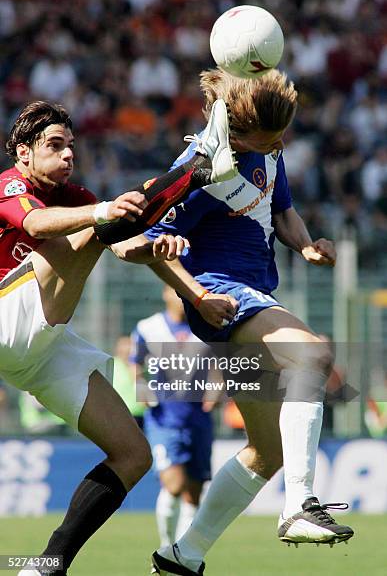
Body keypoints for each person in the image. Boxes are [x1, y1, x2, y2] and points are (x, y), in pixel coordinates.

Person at [0, 99, 239, 576]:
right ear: (24, 153)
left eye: (71, 146)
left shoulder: (81, 198)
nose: (68, 155)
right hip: (4, 318)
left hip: (42, 348)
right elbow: (37, 224)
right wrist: (104, 212)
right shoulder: (11, 185)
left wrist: (178, 272)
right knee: (97, 223)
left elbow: (127, 243)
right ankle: (194, 168)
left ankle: (46, 564)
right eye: (54, 145)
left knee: (133, 455)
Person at [141, 68, 354, 576]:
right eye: (271, 137)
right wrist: (195, 295)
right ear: (236, 133)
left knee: (267, 451)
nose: (281, 143)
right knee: (312, 353)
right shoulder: (199, 167)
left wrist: (305, 245)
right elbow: (148, 241)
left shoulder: (269, 150)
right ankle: (300, 506)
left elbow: (283, 211)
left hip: (253, 295)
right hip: (220, 295)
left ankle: (182, 555)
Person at [131, 285, 215, 547]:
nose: (180, 297)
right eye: (175, 291)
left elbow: (220, 361)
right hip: (163, 417)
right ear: (166, 293)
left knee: (193, 493)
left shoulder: (206, 327)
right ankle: (166, 547)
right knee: (174, 484)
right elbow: (135, 361)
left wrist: (217, 387)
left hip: (198, 418)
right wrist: (140, 385)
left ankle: (180, 552)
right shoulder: (149, 327)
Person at [113, 335, 147, 430]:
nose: (128, 349)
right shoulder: (111, 364)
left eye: (130, 345)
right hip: (118, 415)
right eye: (124, 345)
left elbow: (146, 398)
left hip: (140, 416)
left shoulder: (139, 367)